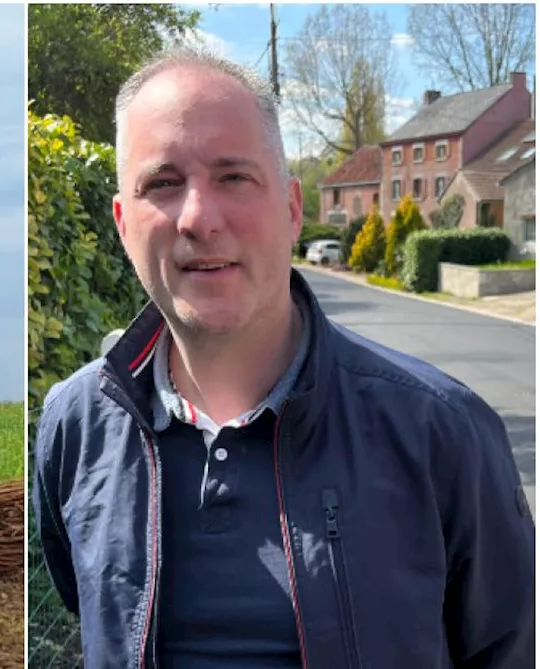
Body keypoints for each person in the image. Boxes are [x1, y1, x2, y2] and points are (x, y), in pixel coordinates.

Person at [32, 46, 535, 669]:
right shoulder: (75, 426)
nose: (198, 217)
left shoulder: (441, 432)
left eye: (233, 177)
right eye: (162, 183)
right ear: (121, 223)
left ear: (293, 208)